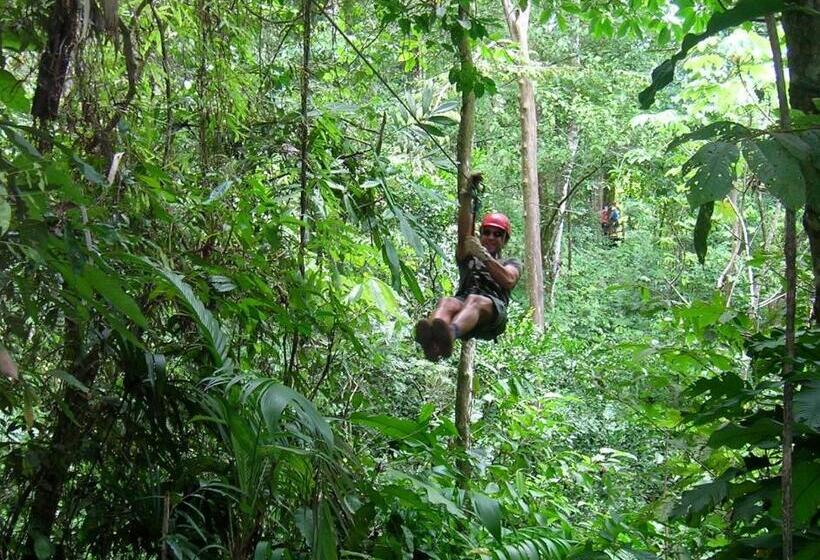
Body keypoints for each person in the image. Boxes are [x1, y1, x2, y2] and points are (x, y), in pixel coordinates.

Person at [414, 209, 522, 362]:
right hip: (464, 301)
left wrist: (483, 256)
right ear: (481, 234)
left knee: (475, 300)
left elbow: (509, 280)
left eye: (497, 234)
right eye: (487, 232)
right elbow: (464, 235)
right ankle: (433, 341)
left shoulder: (510, 263)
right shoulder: (468, 255)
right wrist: (467, 195)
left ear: (505, 240)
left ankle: (449, 335)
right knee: (447, 301)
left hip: (493, 309)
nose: (491, 237)